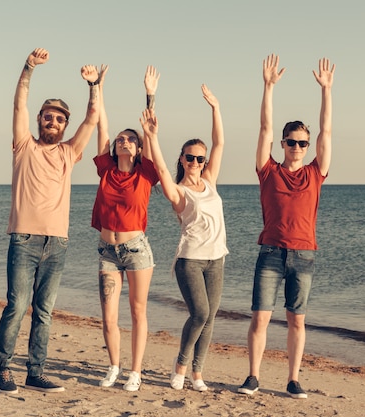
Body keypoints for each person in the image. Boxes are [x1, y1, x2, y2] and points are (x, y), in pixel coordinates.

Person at [0, 48, 104, 395]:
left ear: (64, 126)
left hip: (57, 243)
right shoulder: (23, 145)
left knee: (44, 312)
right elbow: (18, 104)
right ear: (39, 119)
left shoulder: (70, 153)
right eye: (47, 117)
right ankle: (3, 369)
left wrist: (93, 85)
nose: (52, 122)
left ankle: (35, 372)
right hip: (24, 240)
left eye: (59, 119)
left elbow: (93, 118)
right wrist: (28, 68)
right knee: (17, 306)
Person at [237, 54, 335, 399]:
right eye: (291, 141)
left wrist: (326, 91)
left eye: (302, 143)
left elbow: (327, 131)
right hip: (271, 252)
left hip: (304, 254)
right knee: (260, 318)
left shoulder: (315, 172)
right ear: (282, 144)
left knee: (297, 320)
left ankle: (293, 379)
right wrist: (267, 87)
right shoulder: (268, 170)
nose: (297, 147)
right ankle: (253, 377)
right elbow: (264, 127)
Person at [140, 84, 227, 392]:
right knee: (200, 313)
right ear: (182, 159)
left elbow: (219, 143)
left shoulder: (210, 180)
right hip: (190, 260)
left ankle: (197, 374)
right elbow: (161, 168)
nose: (196, 163)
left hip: (216, 259)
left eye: (199, 159)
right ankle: (179, 365)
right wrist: (151, 136)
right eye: (190, 158)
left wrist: (215, 108)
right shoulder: (178, 191)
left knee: (210, 318)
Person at [92, 66, 160, 392]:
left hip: (136, 250)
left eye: (130, 140)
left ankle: (135, 372)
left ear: (138, 149)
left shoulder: (146, 172)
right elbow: (101, 123)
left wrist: (149, 95)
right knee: (108, 316)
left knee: (137, 312)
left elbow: (149, 130)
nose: (124, 141)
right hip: (107, 250)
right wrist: (98, 86)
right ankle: (114, 367)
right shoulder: (105, 168)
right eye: (121, 139)